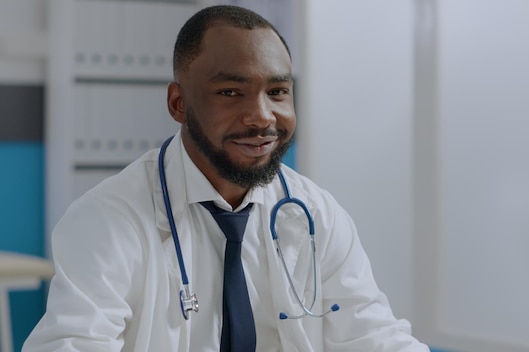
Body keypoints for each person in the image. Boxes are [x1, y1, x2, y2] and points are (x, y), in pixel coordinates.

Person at [23, 5, 430, 352]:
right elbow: (73, 342)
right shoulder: (109, 219)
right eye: (231, 92)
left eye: (277, 91)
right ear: (178, 103)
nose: (262, 117)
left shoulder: (314, 214)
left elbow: (374, 335)